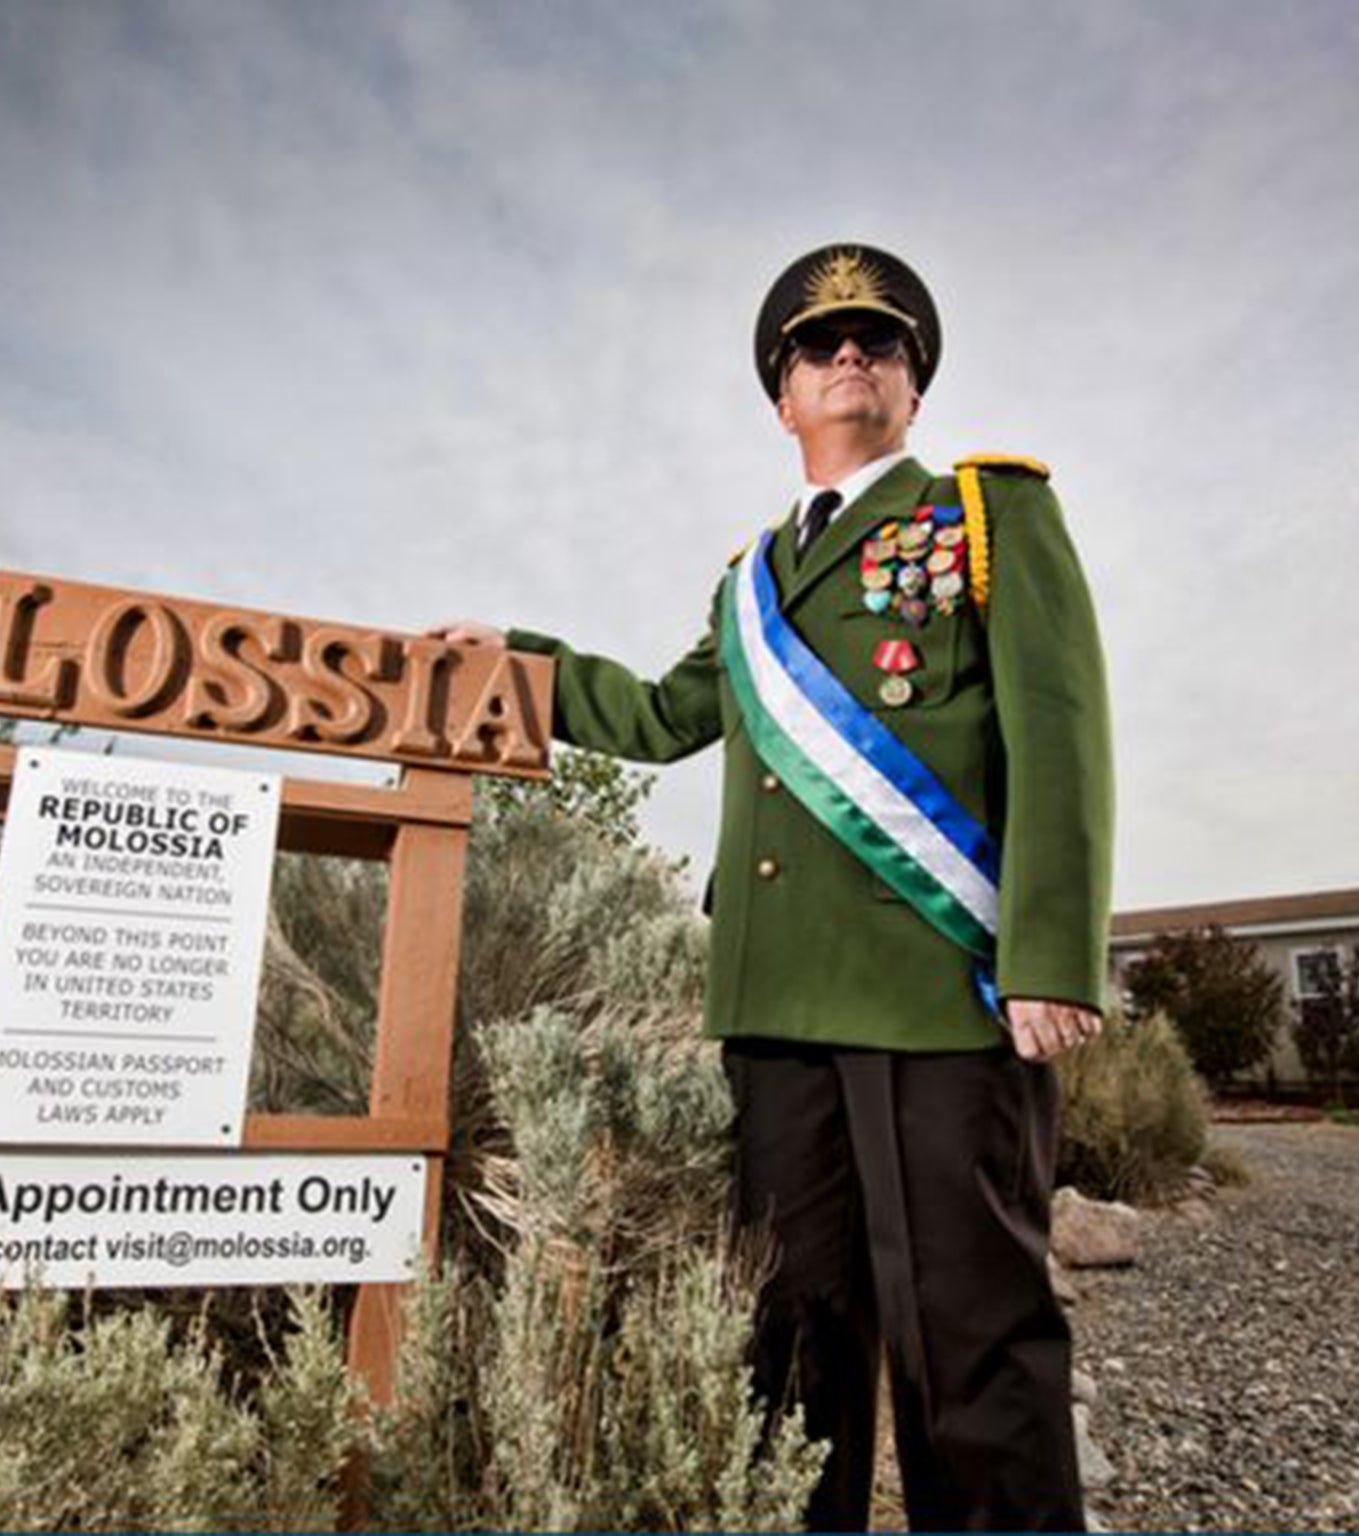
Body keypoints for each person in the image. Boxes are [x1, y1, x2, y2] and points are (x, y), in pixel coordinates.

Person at [432, 242, 1112, 1532]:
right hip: (777, 1002)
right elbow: (657, 714)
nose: (849, 356)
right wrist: (517, 664)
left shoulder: (988, 515)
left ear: (912, 386)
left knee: (967, 1325)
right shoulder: (750, 583)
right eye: (819, 347)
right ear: (782, 397)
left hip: (938, 989)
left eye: (879, 341)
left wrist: (1052, 957)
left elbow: (1061, 730)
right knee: (792, 1331)